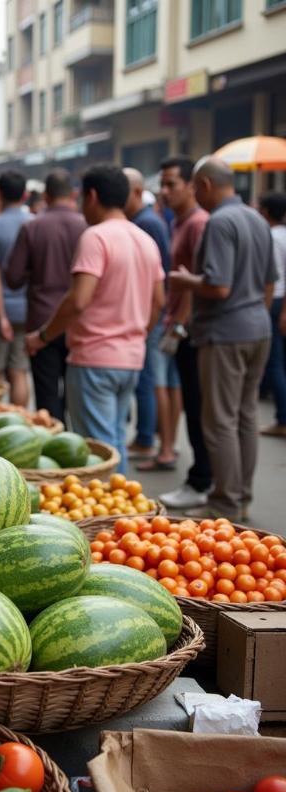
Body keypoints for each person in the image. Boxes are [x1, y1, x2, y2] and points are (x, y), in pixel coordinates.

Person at [26, 164, 165, 473]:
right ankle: (129, 514)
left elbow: (78, 300)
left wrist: (43, 337)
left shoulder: (96, 237)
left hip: (94, 359)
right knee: (114, 439)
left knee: (99, 451)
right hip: (130, 358)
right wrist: (136, 334)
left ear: (91, 196)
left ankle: (120, 515)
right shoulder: (145, 240)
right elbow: (158, 301)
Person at [169, 157, 276, 520]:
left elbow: (218, 285)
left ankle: (225, 501)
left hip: (225, 333)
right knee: (245, 415)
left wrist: (185, 280)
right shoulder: (257, 219)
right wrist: (254, 314)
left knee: (219, 421)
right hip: (258, 327)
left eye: (195, 187)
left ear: (204, 185)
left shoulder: (220, 222)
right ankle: (240, 495)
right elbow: (269, 282)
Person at [6, 169, 87, 420]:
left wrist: (35, 270)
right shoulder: (86, 226)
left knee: (47, 393)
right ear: (73, 194)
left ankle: (55, 442)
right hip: (78, 320)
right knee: (80, 394)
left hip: (41, 319)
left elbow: (13, 278)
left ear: (46, 196)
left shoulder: (32, 227)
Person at [157, 156, 212, 509]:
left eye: (171, 184)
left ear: (192, 186)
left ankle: (202, 480)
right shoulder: (178, 221)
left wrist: (179, 326)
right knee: (191, 403)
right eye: (162, 184)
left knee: (197, 407)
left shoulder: (198, 224)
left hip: (191, 332)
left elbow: (197, 282)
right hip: (180, 327)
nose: (164, 191)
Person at [123, 168, 173, 465]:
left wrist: (148, 324)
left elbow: (158, 281)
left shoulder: (148, 224)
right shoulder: (141, 222)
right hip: (146, 315)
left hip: (150, 317)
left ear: (138, 193)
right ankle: (145, 438)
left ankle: (146, 440)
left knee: (149, 381)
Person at [0, 170, 33, 406]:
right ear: (25, 194)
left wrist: (1, 316)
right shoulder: (34, 223)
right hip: (28, 310)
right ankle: (19, 425)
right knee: (19, 371)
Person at [258, 191, 286, 436]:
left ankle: (283, 419)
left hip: (274, 300)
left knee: (275, 363)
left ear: (266, 212)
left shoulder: (270, 237)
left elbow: (270, 278)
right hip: (281, 301)